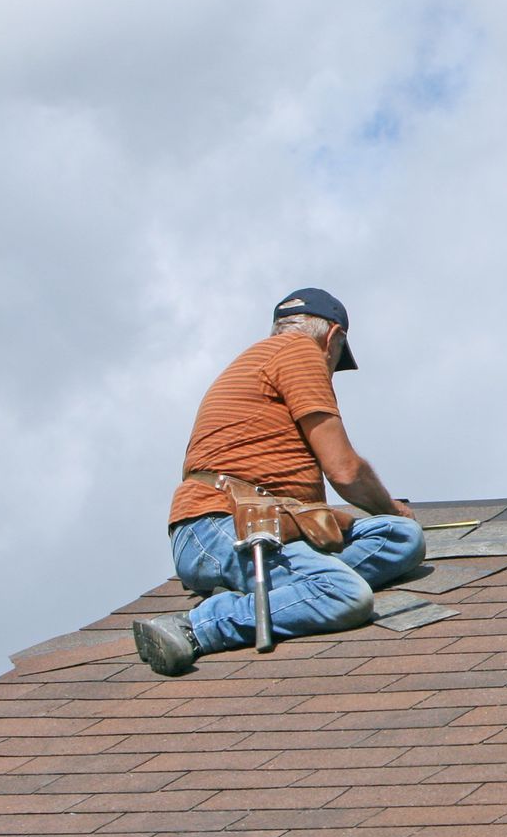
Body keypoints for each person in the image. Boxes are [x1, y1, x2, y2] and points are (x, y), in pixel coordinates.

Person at [132, 289, 425, 675]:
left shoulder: (261, 359)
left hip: (254, 522)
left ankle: (279, 592)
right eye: (336, 360)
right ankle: (196, 627)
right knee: (346, 595)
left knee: (400, 537)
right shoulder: (300, 351)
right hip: (223, 525)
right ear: (333, 337)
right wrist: (390, 506)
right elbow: (345, 471)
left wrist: (392, 518)